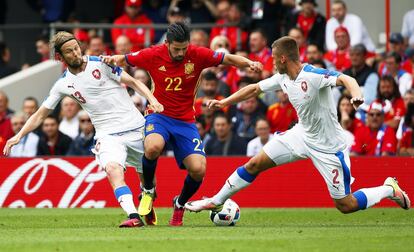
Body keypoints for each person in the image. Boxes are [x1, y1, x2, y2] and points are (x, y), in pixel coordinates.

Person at [185, 36, 410, 216]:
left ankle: (389, 189)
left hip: (329, 146)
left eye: (273, 58)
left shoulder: (312, 74)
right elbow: (254, 89)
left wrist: (357, 95)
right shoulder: (282, 77)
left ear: (283, 58)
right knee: (255, 164)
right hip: (301, 135)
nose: (271, 62)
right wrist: (224, 102)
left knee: (346, 205)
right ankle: (216, 201)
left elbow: (346, 79)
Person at [101, 22, 262, 226]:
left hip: (185, 121)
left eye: (184, 48)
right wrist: (112, 58)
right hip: (158, 114)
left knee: (198, 170)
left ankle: (180, 204)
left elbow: (227, 58)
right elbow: (124, 58)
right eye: (177, 49)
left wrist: (249, 62)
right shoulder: (153, 54)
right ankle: (148, 190)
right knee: (153, 147)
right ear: (167, 43)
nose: (181, 53)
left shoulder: (197, 54)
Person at [3, 31, 164, 228]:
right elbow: (40, 114)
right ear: (60, 57)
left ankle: (147, 195)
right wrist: (18, 136)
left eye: (76, 48)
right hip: (107, 135)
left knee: (149, 182)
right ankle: (133, 215)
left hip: (135, 128)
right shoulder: (63, 84)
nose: (75, 53)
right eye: (69, 52)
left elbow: (135, 82)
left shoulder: (101, 63)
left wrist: (153, 100)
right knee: (113, 169)